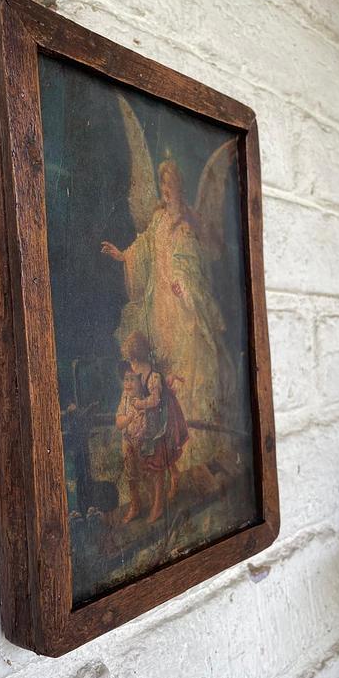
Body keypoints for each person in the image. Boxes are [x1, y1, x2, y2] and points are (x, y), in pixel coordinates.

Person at [102, 157, 235, 473]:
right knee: (161, 371)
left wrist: (183, 286)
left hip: (181, 306)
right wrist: (124, 256)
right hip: (159, 306)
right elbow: (144, 247)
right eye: (162, 183)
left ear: (179, 187)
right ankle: (160, 446)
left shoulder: (188, 223)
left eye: (170, 184)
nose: (165, 189)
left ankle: (191, 447)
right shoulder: (159, 219)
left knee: (188, 371)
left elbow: (194, 263)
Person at [120, 331, 188, 523]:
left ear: (137, 358)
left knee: (158, 460)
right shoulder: (138, 374)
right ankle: (174, 475)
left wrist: (140, 404)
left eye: (132, 360)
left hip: (163, 420)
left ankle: (158, 506)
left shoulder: (153, 376)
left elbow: (156, 400)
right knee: (158, 457)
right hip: (149, 422)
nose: (131, 365)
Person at [115, 362, 147, 523]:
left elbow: (148, 423)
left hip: (143, 442)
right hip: (128, 442)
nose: (128, 383)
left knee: (147, 473)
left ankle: (153, 501)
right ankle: (135, 505)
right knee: (131, 475)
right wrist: (127, 419)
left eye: (132, 379)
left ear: (140, 381)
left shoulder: (145, 398)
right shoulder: (125, 397)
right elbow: (118, 422)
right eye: (125, 379)